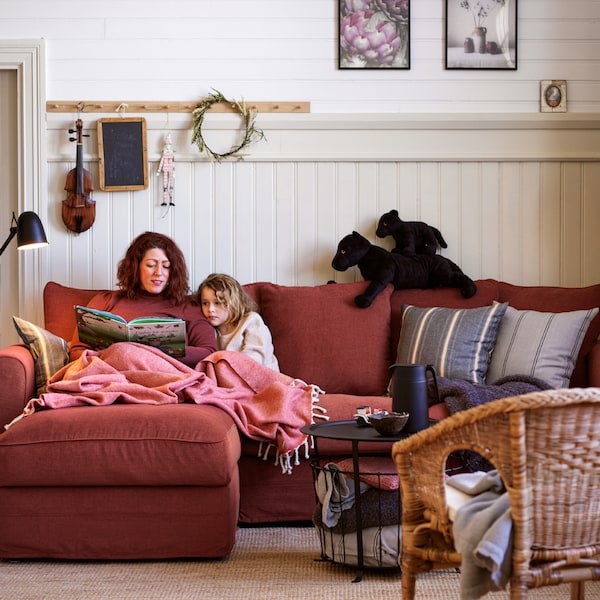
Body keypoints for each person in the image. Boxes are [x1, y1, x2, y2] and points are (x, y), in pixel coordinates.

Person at [70, 231, 216, 368]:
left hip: (164, 375)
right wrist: (116, 354)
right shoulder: (104, 301)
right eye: (151, 265)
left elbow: (208, 352)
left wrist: (156, 351)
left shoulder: (187, 306)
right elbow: (77, 351)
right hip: (110, 374)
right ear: (135, 267)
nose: (159, 272)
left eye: (166, 266)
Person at [197, 273, 279, 371]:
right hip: (228, 379)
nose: (210, 309)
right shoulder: (208, 329)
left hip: (260, 376)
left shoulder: (251, 320)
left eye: (217, 303)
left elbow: (255, 359)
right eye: (205, 303)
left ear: (233, 302)